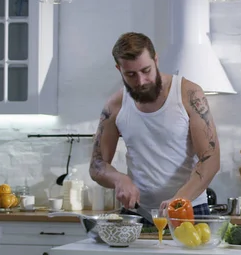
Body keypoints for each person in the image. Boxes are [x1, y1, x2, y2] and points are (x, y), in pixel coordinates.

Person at [89, 32, 220, 217]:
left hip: (188, 209)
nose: (141, 81)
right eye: (131, 74)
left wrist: (179, 200)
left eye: (146, 71)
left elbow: (211, 159)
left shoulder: (188, 94)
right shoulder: (115, 105)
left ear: (156, 60)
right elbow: (96, 164)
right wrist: (118, 179)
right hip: (137, 213)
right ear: (119, 69)